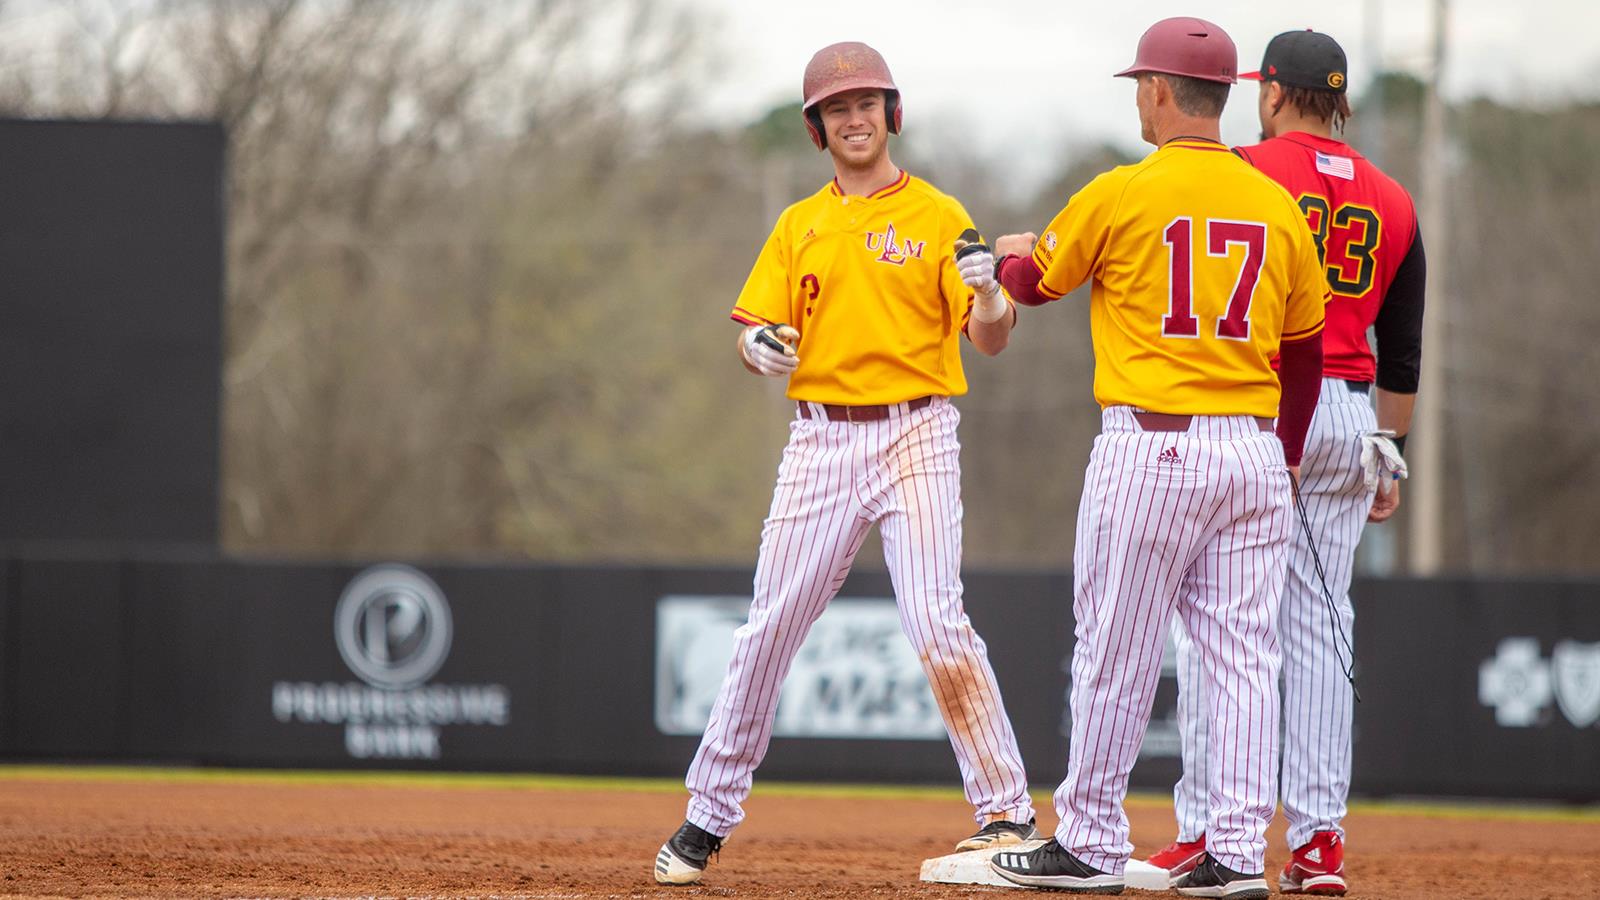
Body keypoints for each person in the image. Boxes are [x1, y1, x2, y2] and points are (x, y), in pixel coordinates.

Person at [652, 41, 1037, 886]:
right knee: (768, 627)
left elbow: (992, 339)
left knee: (937, 618)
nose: (854, 118)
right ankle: (707, 815)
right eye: (836, 108)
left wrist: (989, 293)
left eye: (866, 104)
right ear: (818, 128)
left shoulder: (939, 213)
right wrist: (758, 346)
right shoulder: (800, 224)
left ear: (891, 114)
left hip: (917, 431)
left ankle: (1006, 810)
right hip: (821, 436)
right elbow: (755, 334)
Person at [984, 17, 1329, 898]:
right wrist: (1285, 457)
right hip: (1253, 451)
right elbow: (1304, 354)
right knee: (1244, 661)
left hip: (1155, 447)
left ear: (1163, 91)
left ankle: (1092, 842)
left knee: (1115, 650)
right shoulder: (1277, 205)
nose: (1139, 94)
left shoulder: (1125, 190)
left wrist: (1019, 252)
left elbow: (1031, 285)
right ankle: (1237, 856)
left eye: (1142, 82)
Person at [1140, 30, 1422, 897]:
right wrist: (1391, 452)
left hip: (1268, 408)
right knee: (1320, 626)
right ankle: (1319, 841)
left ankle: (1204, 831)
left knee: (1224, 629)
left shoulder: (1248, 171)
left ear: (1270, 91)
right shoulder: (1396, 198)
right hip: (1356, 418)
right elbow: (1403, 348)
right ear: (1338, 98)